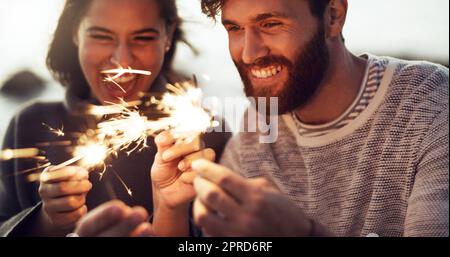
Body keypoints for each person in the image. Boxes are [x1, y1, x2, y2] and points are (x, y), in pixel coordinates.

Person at [163, 0, 448, 237]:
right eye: (235, 28)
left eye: (270, 24)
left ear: (334, 15)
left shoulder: (428, 102)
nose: (249, 54)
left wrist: (302, 232)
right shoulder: (255, 131)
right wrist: (170, 208)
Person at [0, 0, 230, 237]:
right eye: (102, 36)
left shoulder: (206, 140)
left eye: (142, 38)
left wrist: (170, 210)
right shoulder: (28, 126)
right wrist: (45, 222)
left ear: (167, 37)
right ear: (75, 33)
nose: (122, 62)